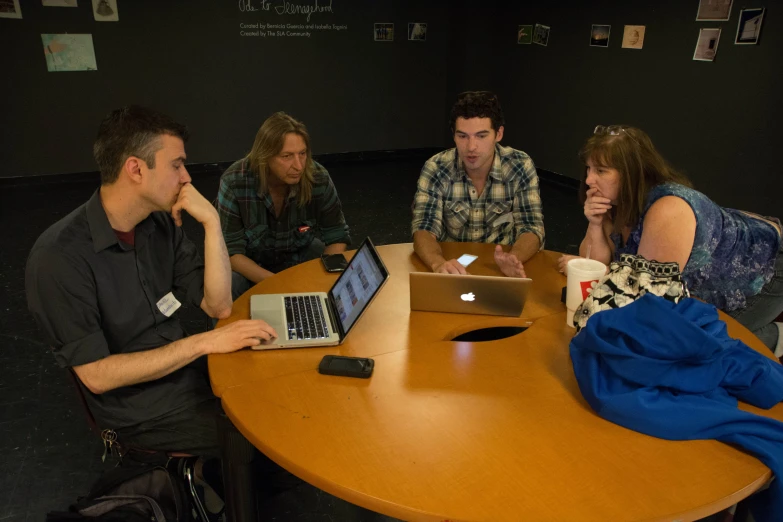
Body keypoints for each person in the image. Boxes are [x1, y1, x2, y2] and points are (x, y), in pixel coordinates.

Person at [25, 106, 277, 458]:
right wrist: (203, 343)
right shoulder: (59, 259)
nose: (187, 177)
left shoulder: (158, 225)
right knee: (265, 440)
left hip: (187, 374)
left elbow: (217, 305)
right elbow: (97, 375)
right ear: (136, 169)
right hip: (141, 412)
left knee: (278, 397)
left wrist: (212, 223)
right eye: (176, 165)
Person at [563, 124, 782, 355]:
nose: (588, 180)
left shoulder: (668, 208)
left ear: (633, 172)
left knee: (703, 349)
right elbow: (596, 262)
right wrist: (595, 224)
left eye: (601, 170)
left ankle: (776, 335)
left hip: (764, 268)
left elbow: (647, 294)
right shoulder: (614, 201)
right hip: (704, 268)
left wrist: (601, 273)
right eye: (588, 169)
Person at [217, 111, 351, 299]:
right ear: (265, 157)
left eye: (302, 154)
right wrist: (279, 284)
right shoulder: (234, 182)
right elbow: (231, 251)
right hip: (251, 264)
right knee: (225, 284)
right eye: (287, 156)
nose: (298, 166)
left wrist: (325, 278)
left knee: (343, 273)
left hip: (299, 253)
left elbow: (336, 233)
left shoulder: (318, 177)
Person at [411, 90, 545, 278]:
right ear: (453, 135)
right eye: (463, 136)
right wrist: (438, 264)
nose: (471, 147)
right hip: (451, 265)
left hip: (500, 266)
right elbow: (424, 226)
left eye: (481, 136)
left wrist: (513, 259)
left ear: (499, 134)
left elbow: (531, 227)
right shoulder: (436, 167)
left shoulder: (519, 166)